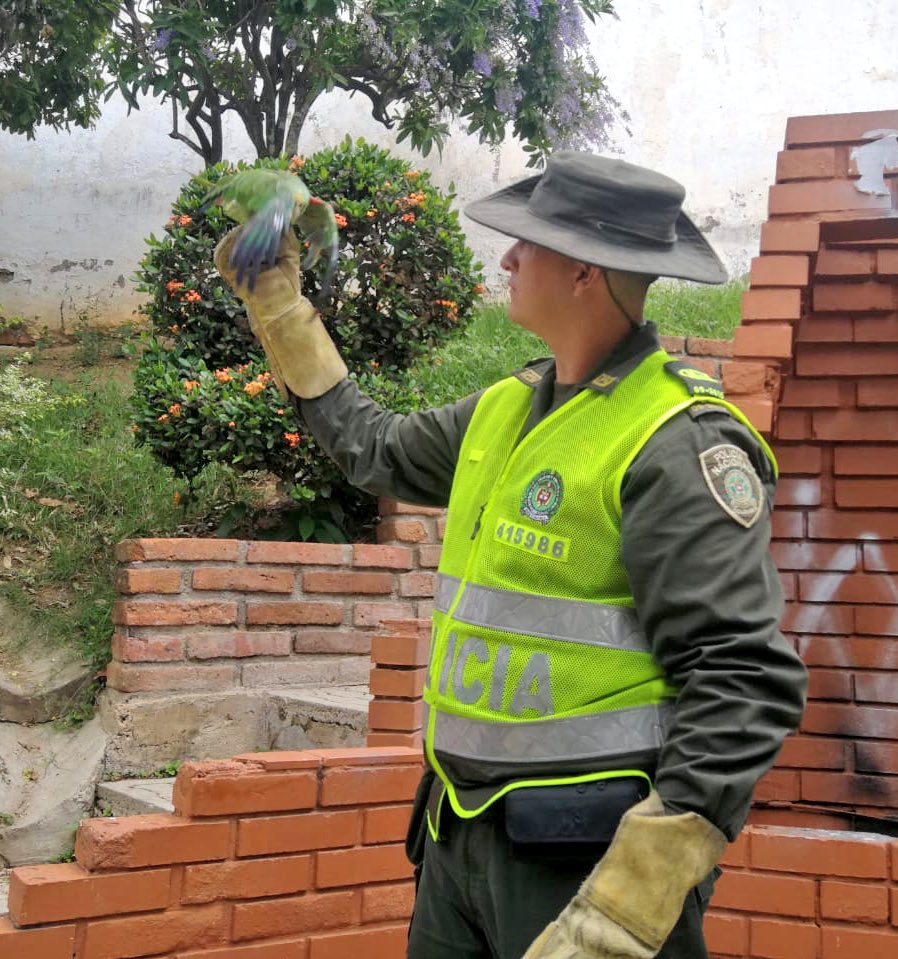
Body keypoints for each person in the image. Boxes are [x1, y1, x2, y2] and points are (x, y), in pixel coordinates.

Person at [214, 152, 808, 959]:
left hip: (584, 863)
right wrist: (282, 310)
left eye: (528, 243)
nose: (508, 257)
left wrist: (632, 900)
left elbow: (743, 678)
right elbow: (374, 446)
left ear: (584, 274)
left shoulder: (676, 441)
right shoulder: (504, 408)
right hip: (457, 834)